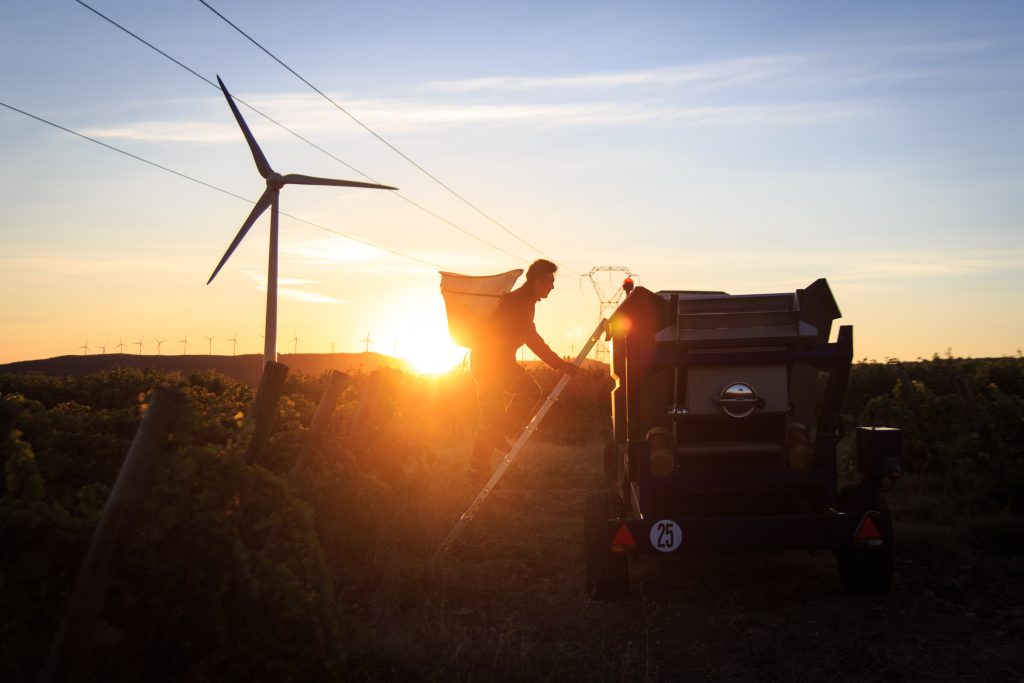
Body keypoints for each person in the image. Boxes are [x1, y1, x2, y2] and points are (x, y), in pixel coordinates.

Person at [468, 259, 578, 477]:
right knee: (527, 393)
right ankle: (495, 440)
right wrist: (559, 364)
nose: (553, 287)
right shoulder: (519, 303)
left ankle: (477, 468)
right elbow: (532, 338)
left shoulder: (524, 301)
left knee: (491, 417)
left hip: (492, 362)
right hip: (491, 363)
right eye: (550, 281)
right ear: (537, 281)